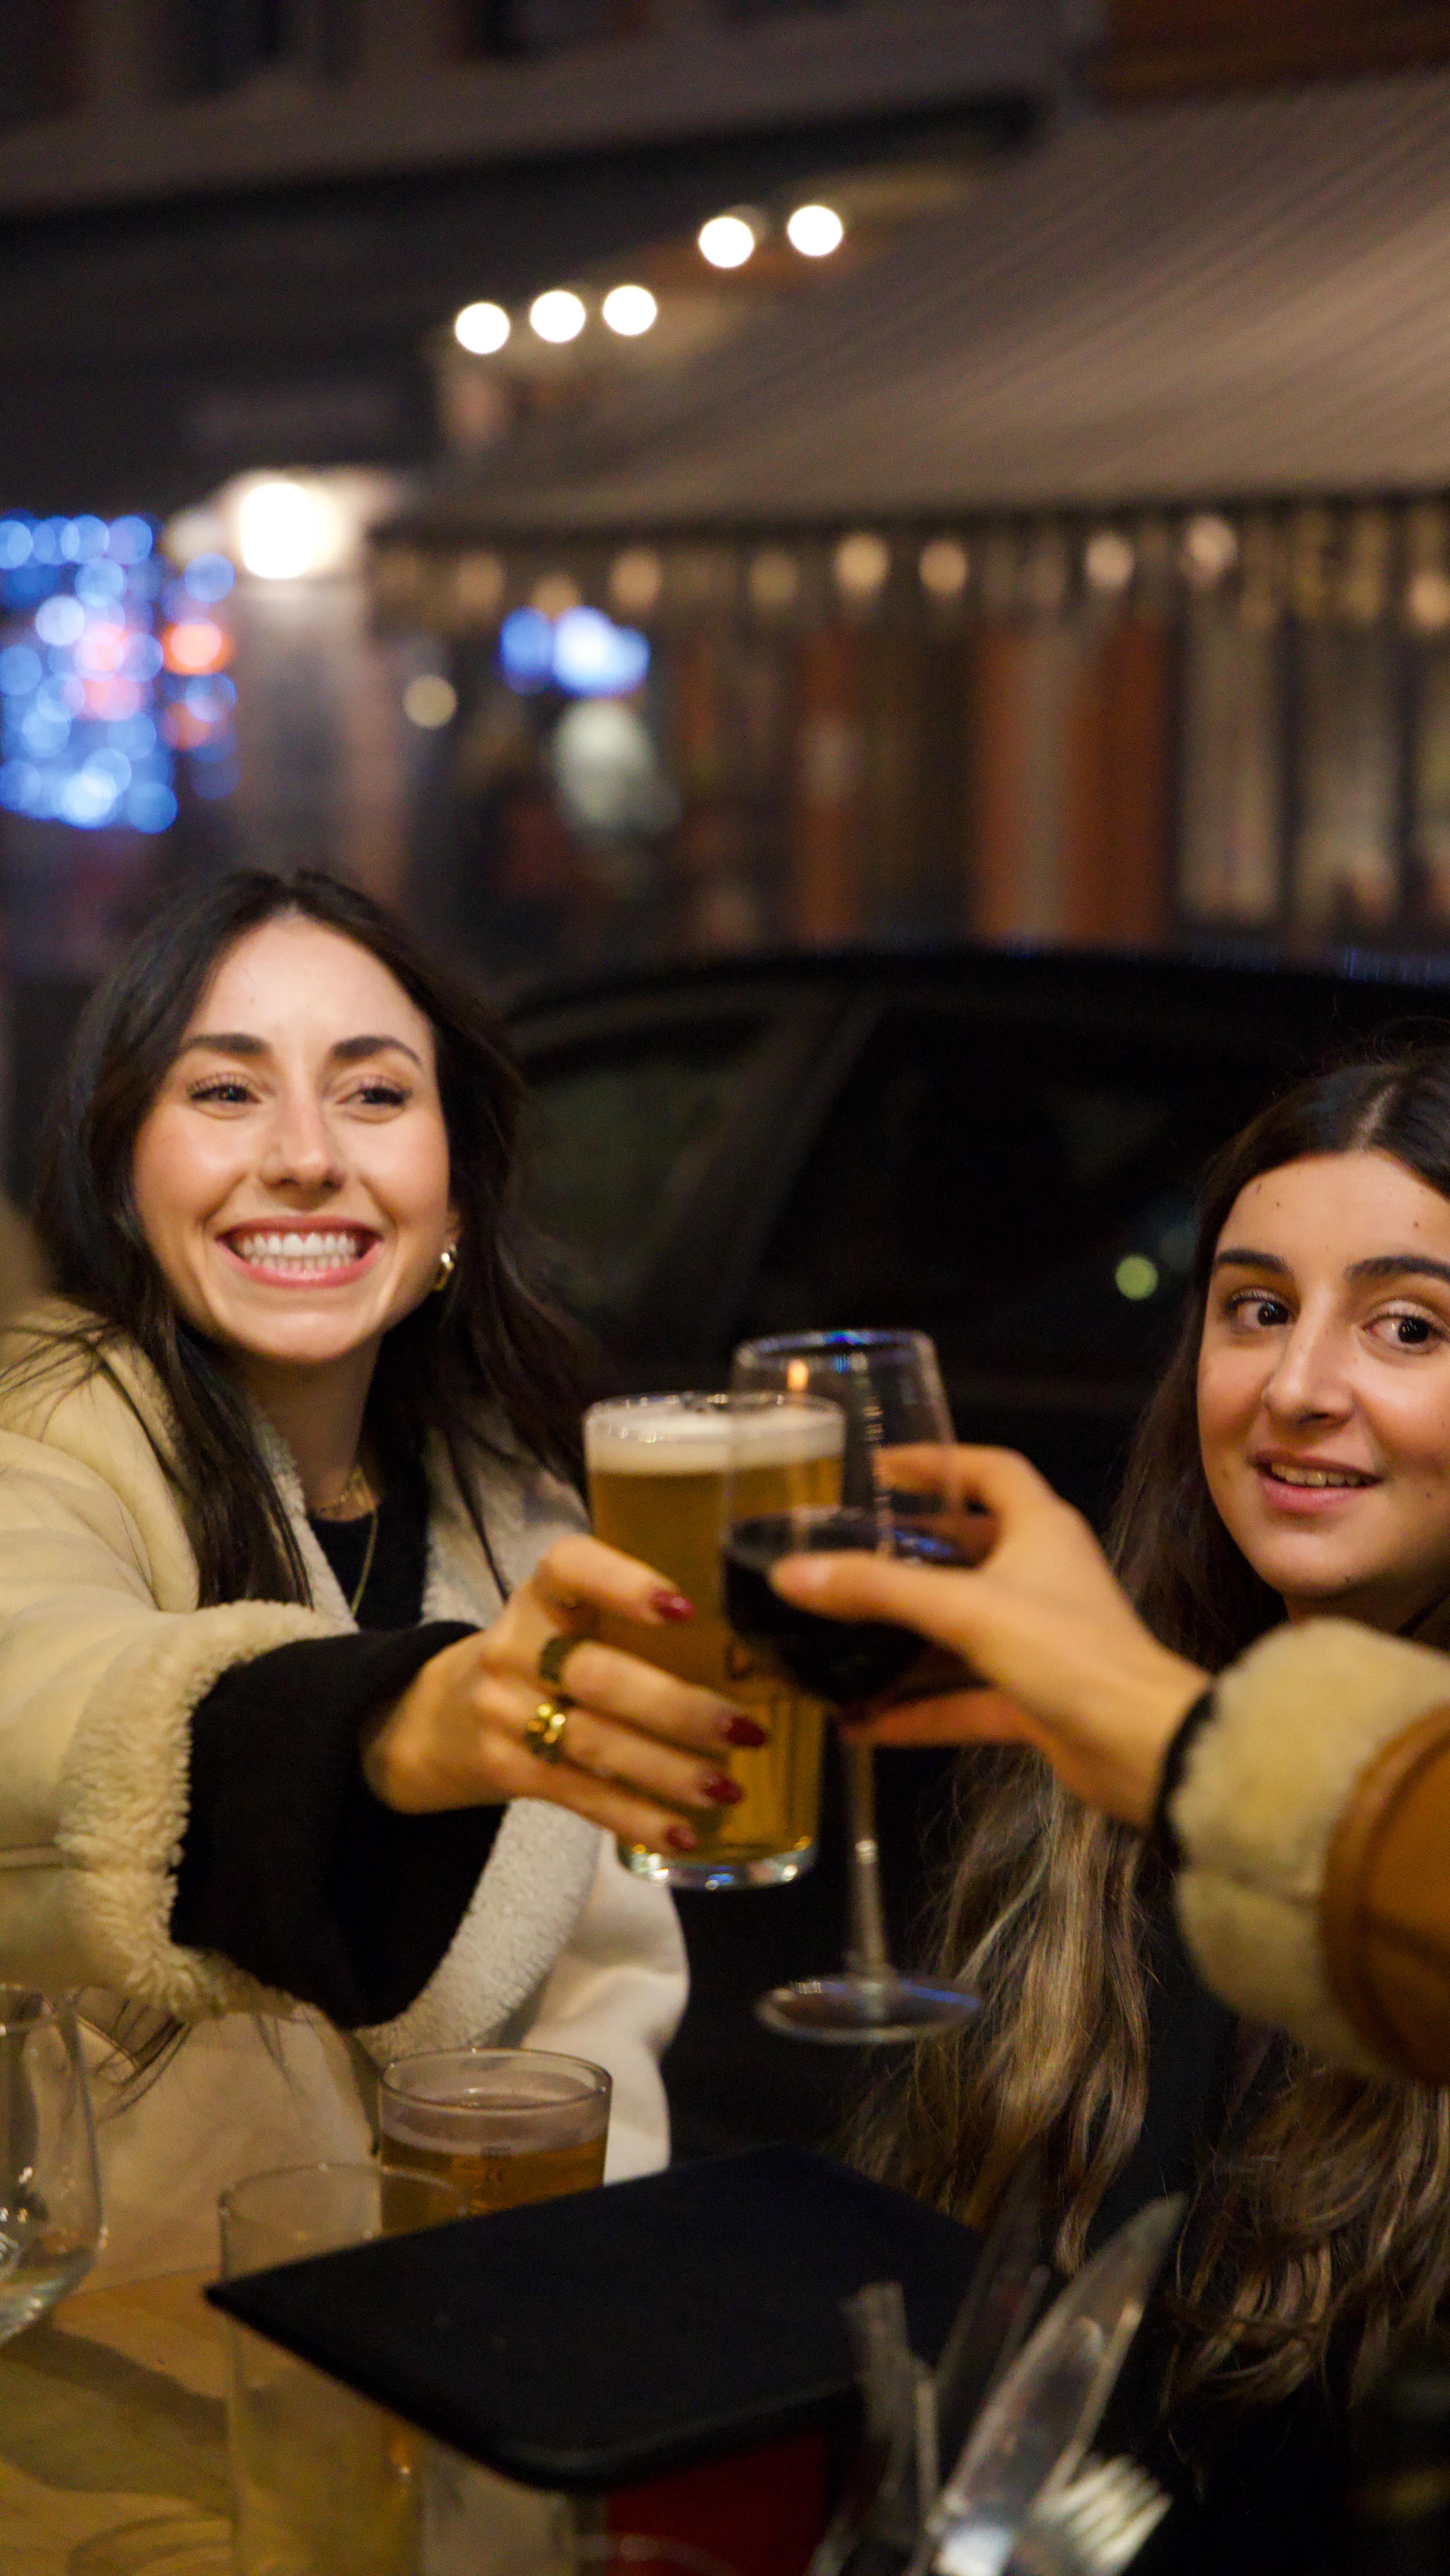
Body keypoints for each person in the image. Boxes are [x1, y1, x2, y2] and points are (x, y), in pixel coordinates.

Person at [0, 867, 758, 2281]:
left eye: (373, 1093)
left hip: (472, 2348)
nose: (305, 1155)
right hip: (124, 2375)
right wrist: (388, 1728)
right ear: (122, 1168)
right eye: (226, 1092)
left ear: (454, 1187)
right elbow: (35, 1692)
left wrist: (577, 2283)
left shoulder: (519, 1510)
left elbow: (608, 1986)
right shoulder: (41, 1443)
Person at [773, 1052, 1450, 2573]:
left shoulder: (1178, 1757)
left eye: (1407, 1327)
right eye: (1254, 1309)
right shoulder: (1079, 1791)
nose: (1295, 1389)